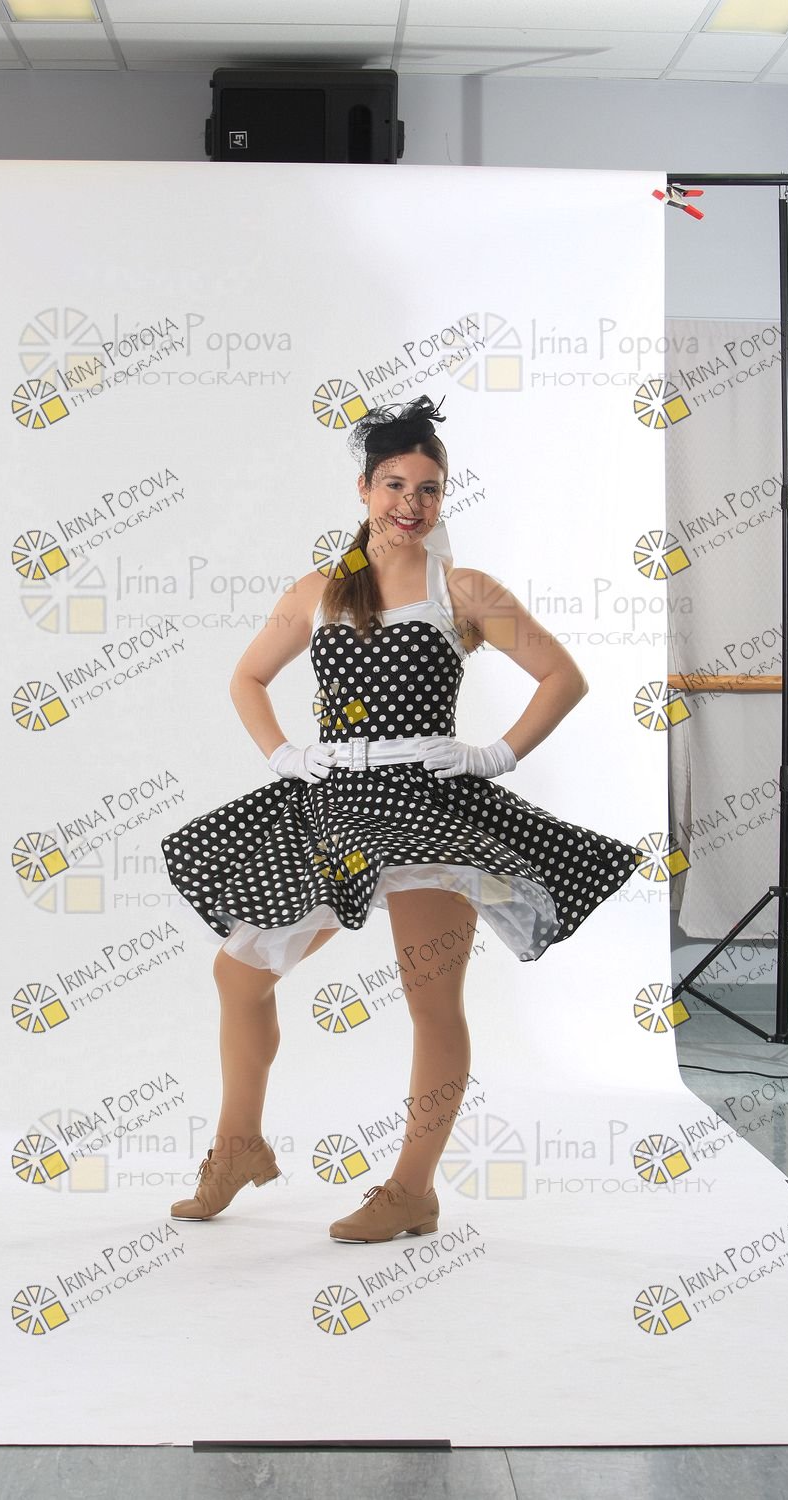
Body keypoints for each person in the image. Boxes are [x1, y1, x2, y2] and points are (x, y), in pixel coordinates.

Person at [160, 393, 645, 1242]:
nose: (410, 505)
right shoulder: (319, 590)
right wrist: (283, 754)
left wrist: (495, 755)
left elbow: (563, 678)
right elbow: (247, 677)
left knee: (431, 1000)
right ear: (363, 489)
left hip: (426, 812)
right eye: (394, 486)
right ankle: (238, 1146)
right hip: (335, 805)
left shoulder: (462, 589)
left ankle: (412, 1189)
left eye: (428, 489)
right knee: (239, 973)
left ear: (443, 496)